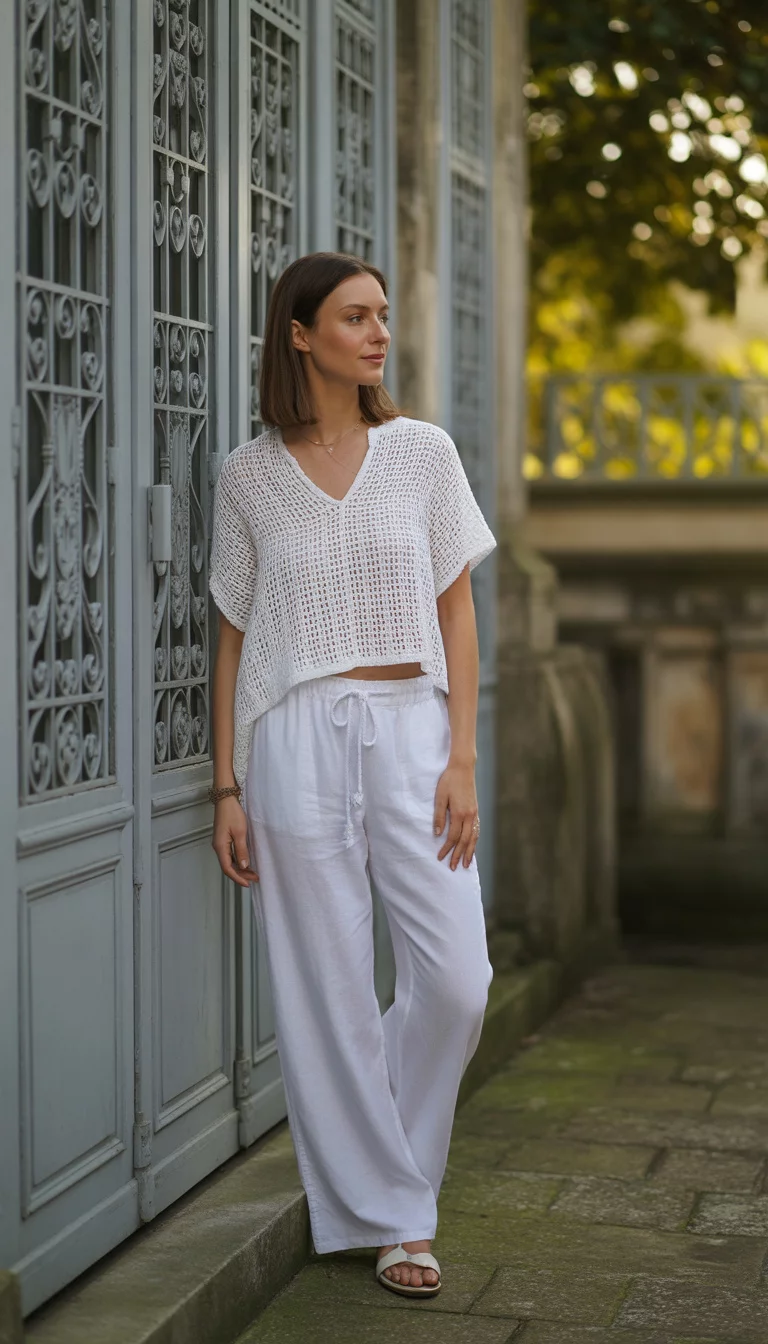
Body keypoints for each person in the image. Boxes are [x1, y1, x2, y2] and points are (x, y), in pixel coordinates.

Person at [208, 251, 496, 1299]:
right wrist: (225, 786)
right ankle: (395, 1221)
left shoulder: (421, 452)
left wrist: (463, 755)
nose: (379, 333)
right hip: (290, 738)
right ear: (300, 333)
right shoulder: (248, 475)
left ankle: (391, 1172)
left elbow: (457, 609)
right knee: (325, 985)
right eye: (354, 316)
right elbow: (234, 638)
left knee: (458, 982)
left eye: (382, 315)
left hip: (413, 727)